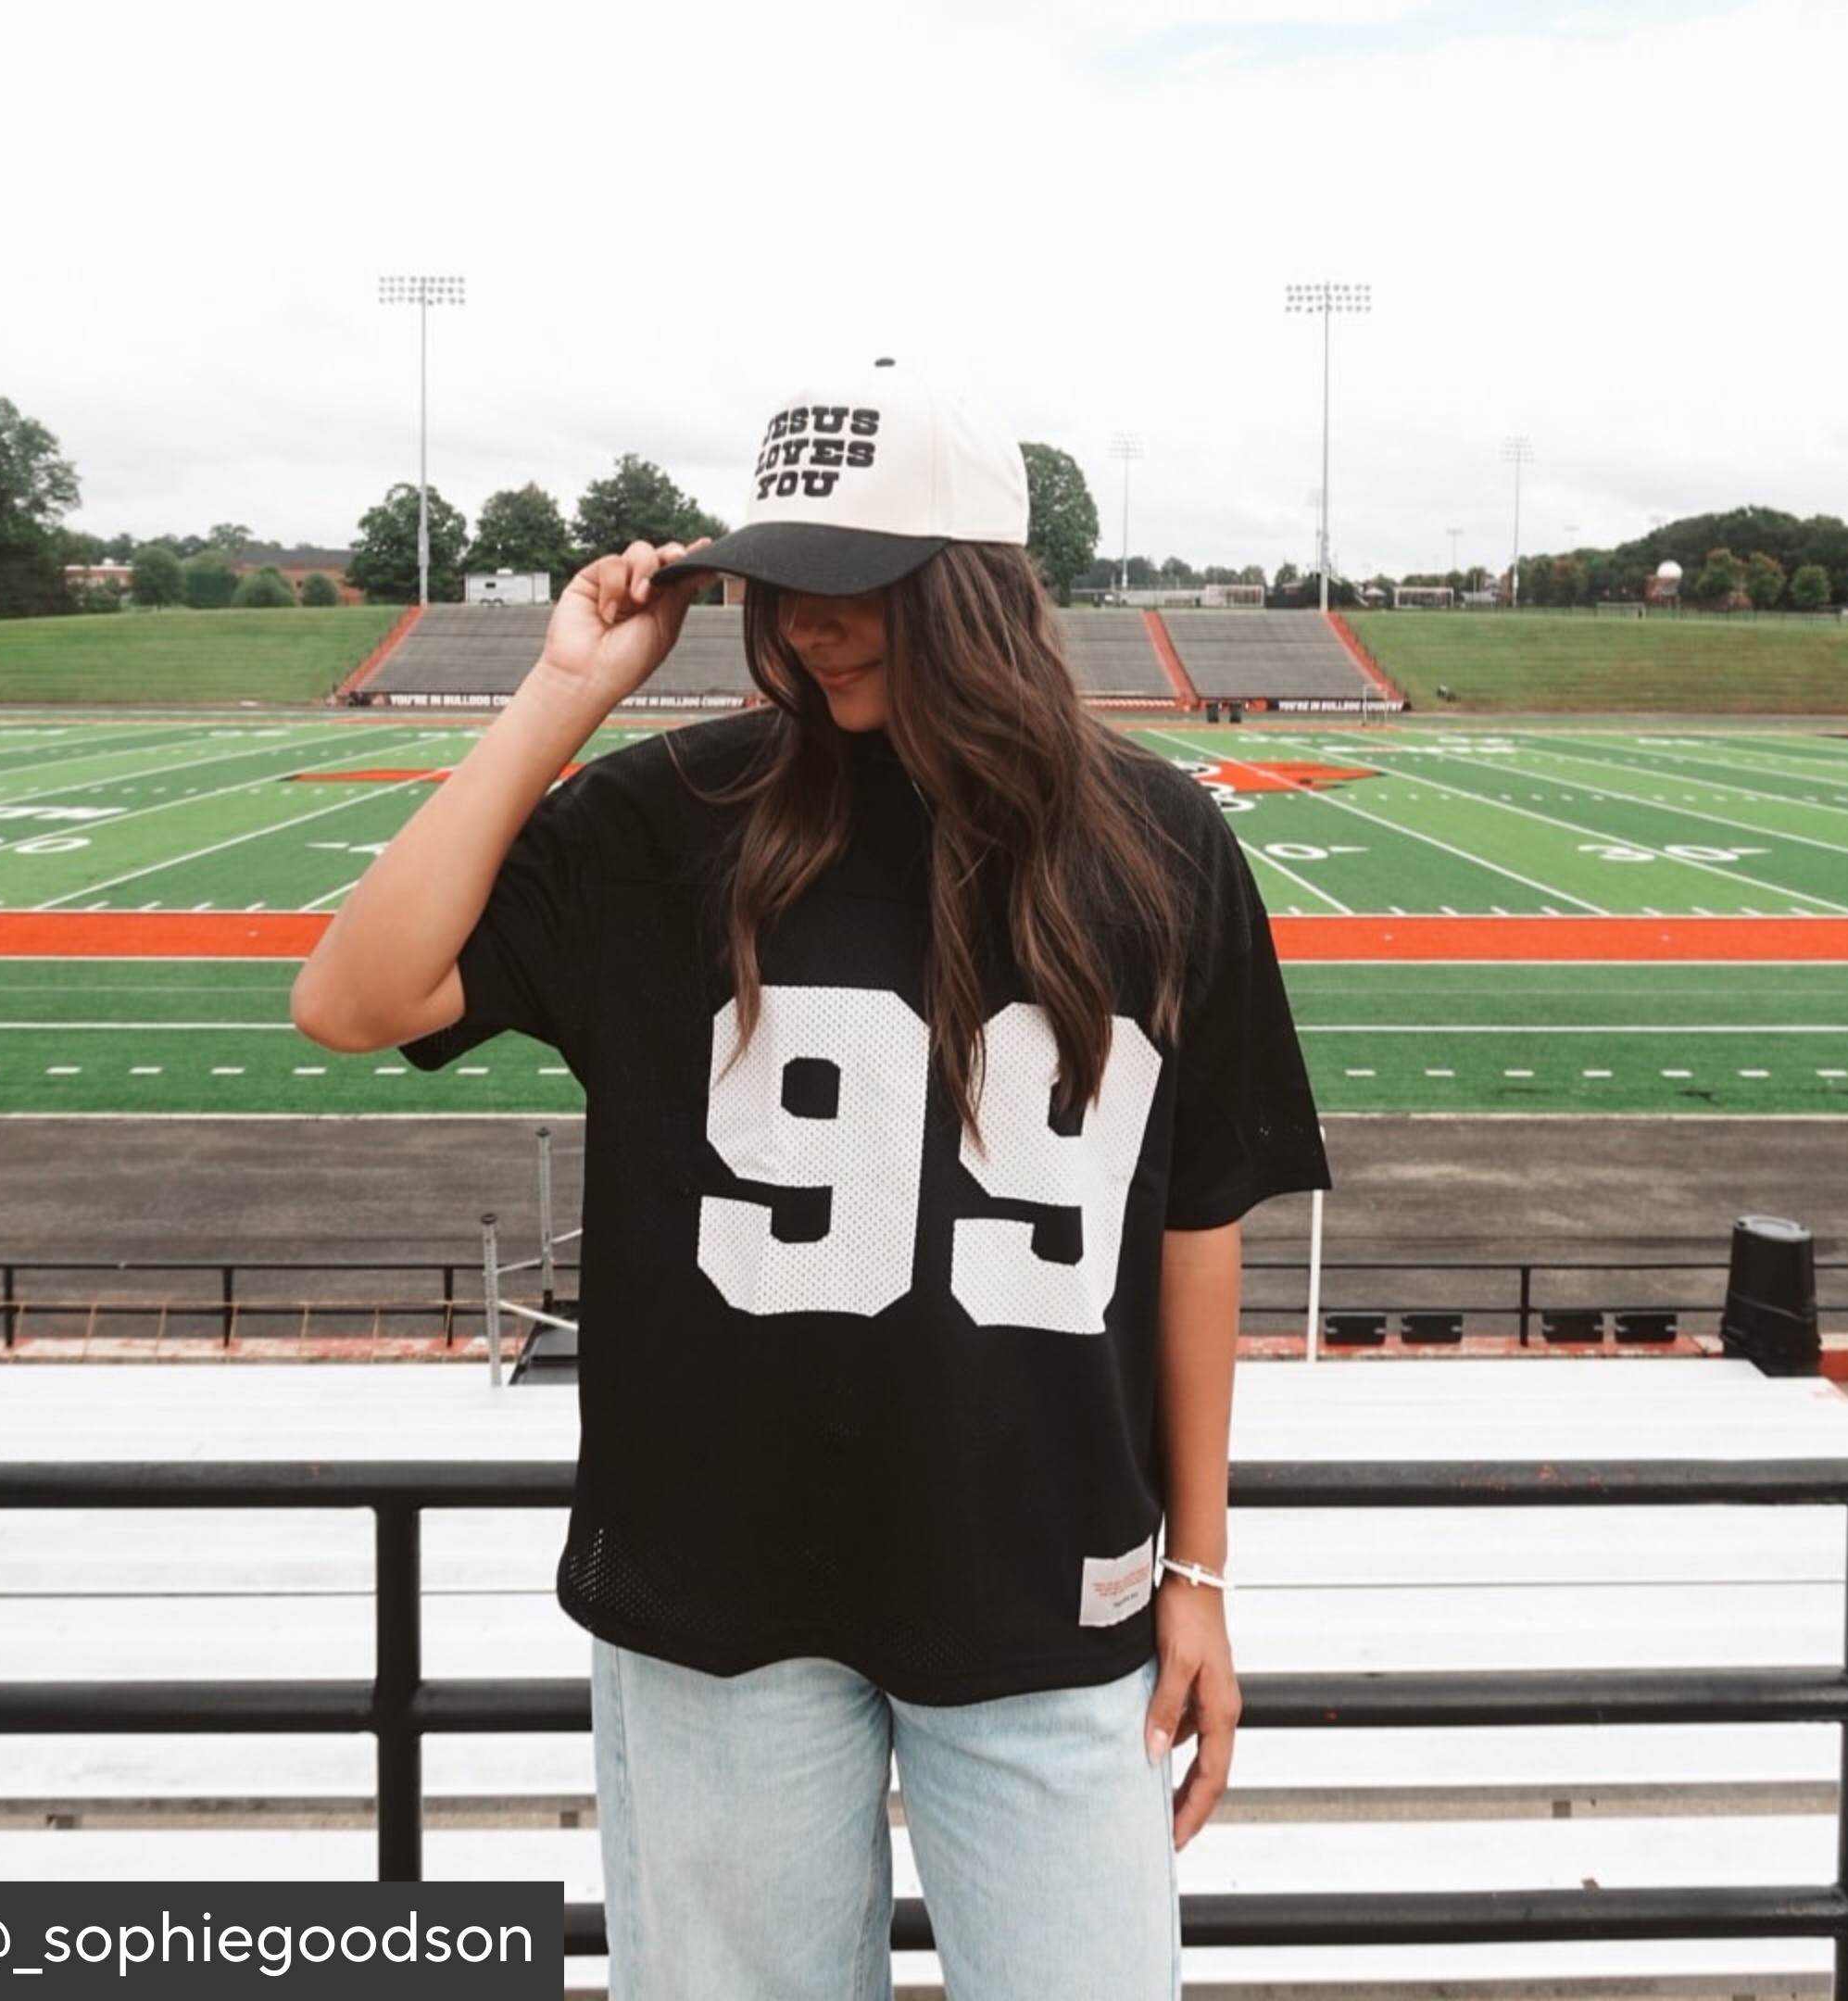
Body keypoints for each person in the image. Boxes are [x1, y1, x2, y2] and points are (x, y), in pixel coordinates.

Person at [292, 359, 1330, 1999]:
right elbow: (354, 999)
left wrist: (1198, 1574)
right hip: (719, 1579)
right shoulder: (670, 813)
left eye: (859, 585)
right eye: (778, 583)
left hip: (1047, 1572)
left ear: (974, 588)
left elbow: (1199, 1220)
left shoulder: (1155, 837)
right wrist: (564, 693)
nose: (806, 624)